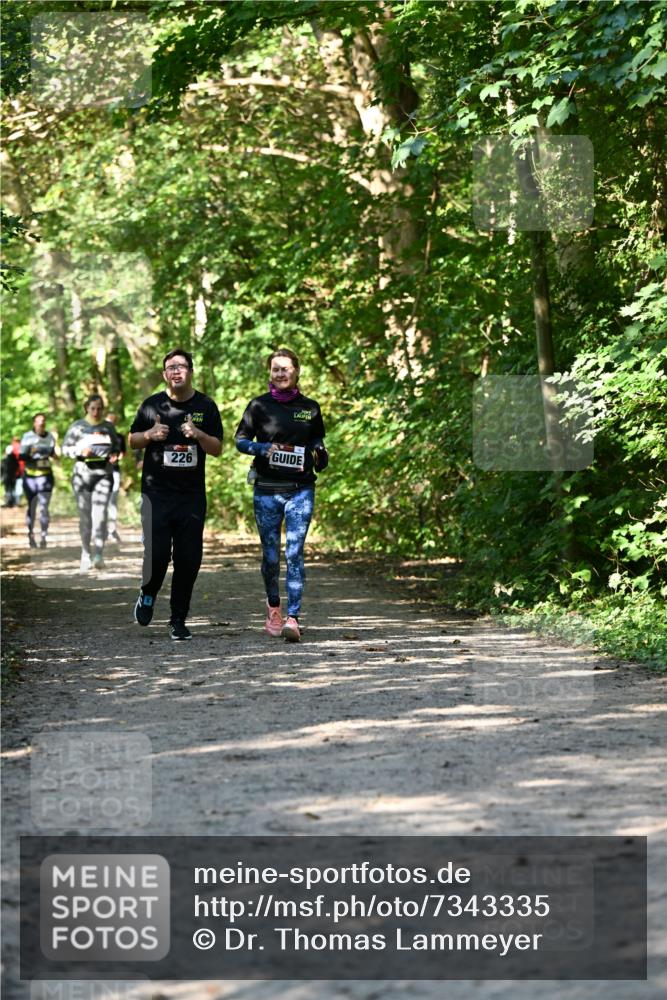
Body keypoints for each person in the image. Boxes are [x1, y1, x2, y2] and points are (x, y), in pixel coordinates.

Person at [129, 348, 223, 641]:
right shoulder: (151, 405)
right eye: (170, 367)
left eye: (181, 366)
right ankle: (148, 593)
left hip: (191, 497)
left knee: (188, 558)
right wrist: (148, 436)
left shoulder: (206, 406)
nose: (176, 371)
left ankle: (178, 619)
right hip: (156, 495)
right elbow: (131, 441)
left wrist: (198, 435)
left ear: (190, 371)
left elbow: (217, 448)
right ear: (164, 374)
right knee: (157, 556)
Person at [235, 348, 328, 643]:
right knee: (272, 556)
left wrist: (320, 454)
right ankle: (274, 605)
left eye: (286, 369)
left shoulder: (310, 408)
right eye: (276, 369)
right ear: (270, 373)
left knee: (295, 553)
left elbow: (317, 441)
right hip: (266, 491)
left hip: (301, 490)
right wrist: (262, 449)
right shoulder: (258, 406)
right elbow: (240, 441)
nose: (281, 374)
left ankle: (294, 617)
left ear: (297, 371)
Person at [62, 394, 122, 571]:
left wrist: (113, 456)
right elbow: (65, 449)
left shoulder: (108, 427)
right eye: (93, 408)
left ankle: (99, 555)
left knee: (100, 516)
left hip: (103, 474)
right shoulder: (77, 427)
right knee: (85, 518)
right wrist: (81, 451)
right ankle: (85, 553)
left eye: (99, 408)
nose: (96, 412)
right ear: (86, 408)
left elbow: (116, 449)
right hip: (82, 475)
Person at [20, 413, 58, 548]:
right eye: (39, 421)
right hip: (30, 477)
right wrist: (33, 456)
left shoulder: (50, 437)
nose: (41, 423)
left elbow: (54, 453)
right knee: (32, 507)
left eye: (43, 421)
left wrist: (54, 456)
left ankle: (43, 536)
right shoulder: (27, 436)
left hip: (46, 476)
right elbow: (21, 456)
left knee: (44, 507)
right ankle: (31, 534)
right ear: (34, 423)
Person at [105, 412, 127, 543]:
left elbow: (122, 453)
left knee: (112, 501)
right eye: (109, 421)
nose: (111, 424)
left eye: (113, 421)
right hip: (100, 472)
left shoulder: (119, 437)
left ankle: (112, 531)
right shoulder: (99, 436)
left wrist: (116, 458)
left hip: (114, 471)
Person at [2, 437, 25, 507]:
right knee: (16, 488)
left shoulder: (5, 459)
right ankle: (16, 502)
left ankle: (10, 502)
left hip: (9, 476)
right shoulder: (21, 448)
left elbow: (2, 468)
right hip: (18, 473)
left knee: (9, 489)